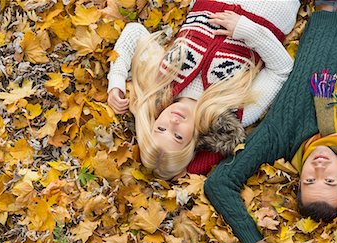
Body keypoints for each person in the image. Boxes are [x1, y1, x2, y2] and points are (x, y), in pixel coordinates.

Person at [204, 0, 337, 243]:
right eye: (330, 180)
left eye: (310, 180)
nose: (319, 168)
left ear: (298, 180)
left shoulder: (281, 138)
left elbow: (219, 183)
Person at [107, 0, 300, 179]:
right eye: (178, 136)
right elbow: (281, 70)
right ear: (194, 142)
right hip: (271, 8)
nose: (173, 121)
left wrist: (116, 80)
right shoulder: (234, 113)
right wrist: (245, 29)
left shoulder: (161, 81)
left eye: (161, 128)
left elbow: (134, 32)